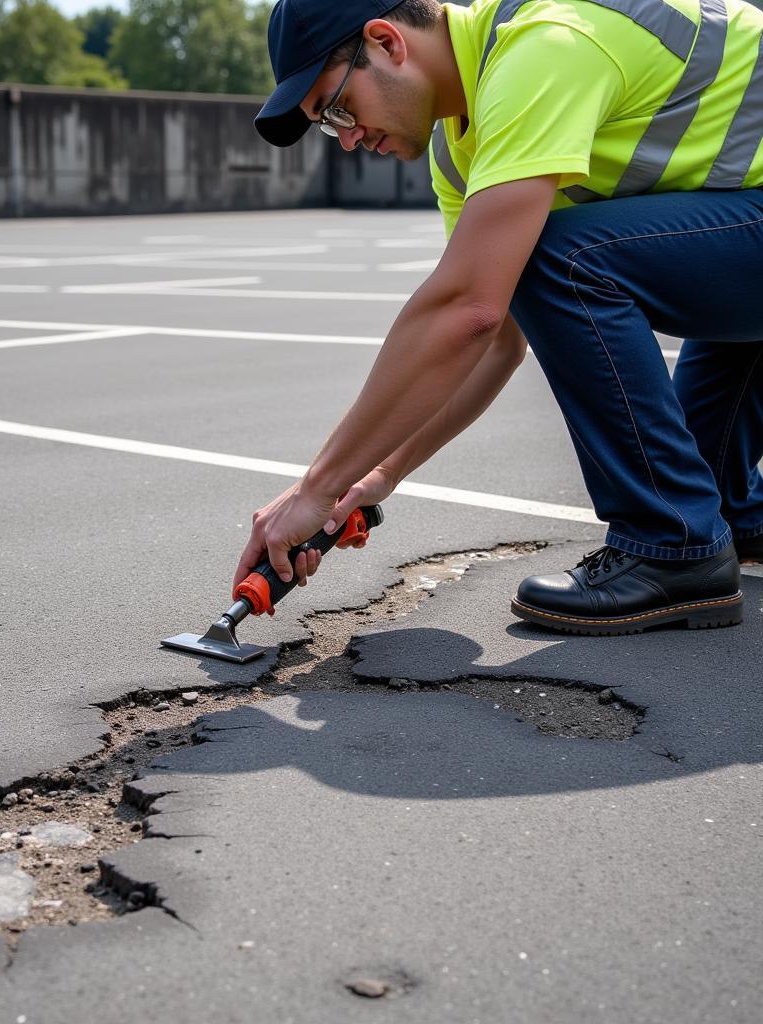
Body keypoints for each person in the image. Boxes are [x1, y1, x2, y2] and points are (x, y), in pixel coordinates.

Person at [234, 0, 763, 635]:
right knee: (698, 485)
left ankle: (672, 547)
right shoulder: (459, 149)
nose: (347, 138)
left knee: (561, 258)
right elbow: (494, 336)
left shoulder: (544, 47)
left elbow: (468, 308)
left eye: (338, 108)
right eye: (330, 126)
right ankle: (732, 518)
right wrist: (374, 476)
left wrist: (316, 487)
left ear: (386, 42)